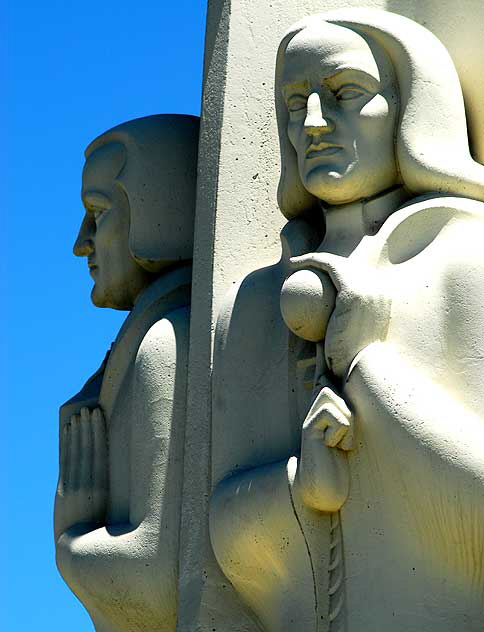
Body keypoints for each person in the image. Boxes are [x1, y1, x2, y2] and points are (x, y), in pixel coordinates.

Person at [209, 9, 484, 631]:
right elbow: (222, 523)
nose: (310, 122)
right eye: (295, 101)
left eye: (343, 93)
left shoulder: (466, 259)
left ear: (411, 108)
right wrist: (300, 486)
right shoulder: (256, 303)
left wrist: (371, 373)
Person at [54, 114, 199, 631]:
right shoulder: (142, 344)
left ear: (156, 211)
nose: (81, 241)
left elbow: (156, 579)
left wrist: (72, 536)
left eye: (98, 213)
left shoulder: (166, 344)